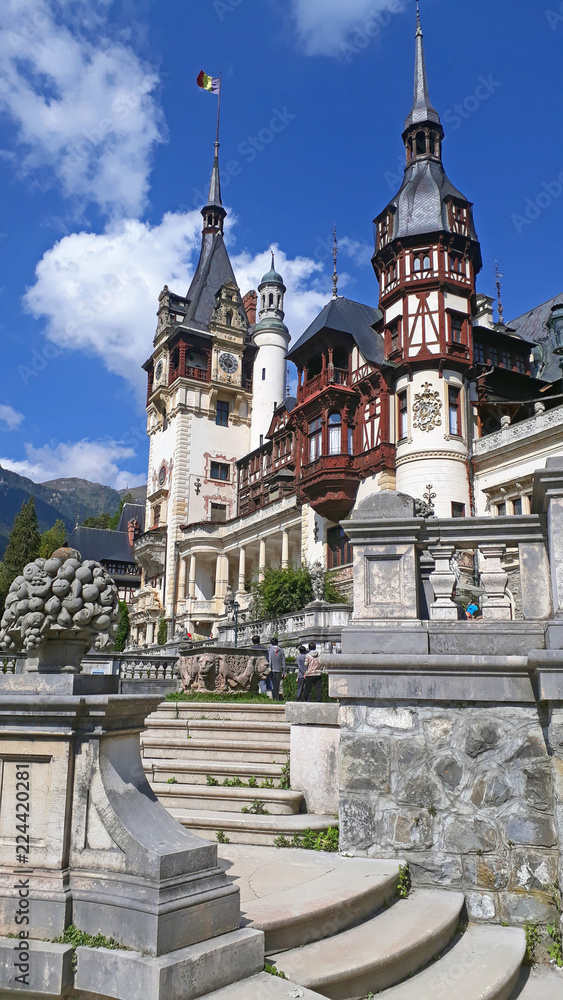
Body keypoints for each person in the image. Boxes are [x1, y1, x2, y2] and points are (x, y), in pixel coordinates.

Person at [268, 637, 286, 701]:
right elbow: (283, 662)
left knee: (273, 685)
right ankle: (277, 697)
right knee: (277, 685)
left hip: (272, 670)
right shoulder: (281, 651)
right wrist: (284, 671)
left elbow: (269, 660)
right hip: (279, 670)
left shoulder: (269, 650)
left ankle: (274, 698)